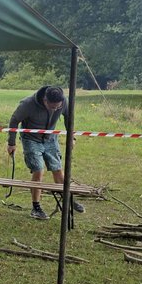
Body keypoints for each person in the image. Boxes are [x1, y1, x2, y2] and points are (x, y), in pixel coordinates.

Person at [6, 84, 84, 221]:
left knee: (58, 170)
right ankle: (36, 207)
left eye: (58, 107)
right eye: (52, 107)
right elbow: (14, 120)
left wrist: (71, 136)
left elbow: (68, 117)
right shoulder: (28, 104)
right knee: (38, 170)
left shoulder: (63, 102)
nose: (56, 109)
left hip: (50, 138)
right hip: (31, 139)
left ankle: (67, 200)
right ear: (45, 100)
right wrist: (11, 143)